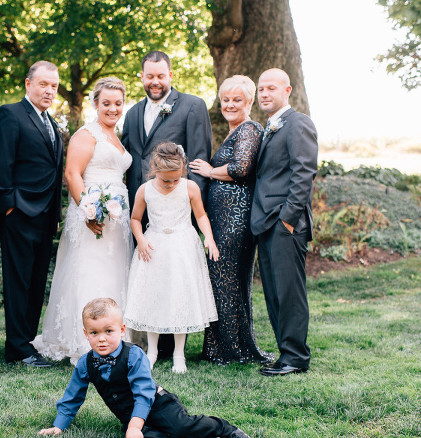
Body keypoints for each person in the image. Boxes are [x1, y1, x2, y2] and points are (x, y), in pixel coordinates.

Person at [38, 298, 255, 438]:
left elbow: (143, 394)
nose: (102, 339)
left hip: (157, 404)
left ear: (122, 330)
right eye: (94, 333)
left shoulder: (133, 355)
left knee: (181, 427)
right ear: (86, 334)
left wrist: (135, 424)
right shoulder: (85, 363)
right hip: (129, 416)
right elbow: (72, 396)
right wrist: (59, 425)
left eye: (109, 331)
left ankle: (224, 428)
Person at [32, 78, 133, 364]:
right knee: (91, 272)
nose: (113, 109)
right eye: (107, 103)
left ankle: (113, 337)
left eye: (118, 103)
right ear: (96, 103)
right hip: (92, 218)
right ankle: (83, 340)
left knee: (113, 273)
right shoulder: (86, 135)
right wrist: (89, 211)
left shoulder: (116, 136)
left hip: (117, 222)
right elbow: (72, 174)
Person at [121, 50, 212, 361]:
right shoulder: (132, 113)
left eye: (161, 76)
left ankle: (175, 347)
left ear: (171, 75)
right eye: (150, 76)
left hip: (176, 210)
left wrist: (186, 204)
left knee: (176, 281)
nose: (155, 81)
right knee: (150, 281)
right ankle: (148, 341)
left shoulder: (192, 106)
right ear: (142, 77)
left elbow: (199, 160)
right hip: (143, 206)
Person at [189, 75, 273, 365]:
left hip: (236, 218)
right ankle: (221, 347)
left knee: (226, 279)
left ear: (249, 102)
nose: (230, 104)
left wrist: (209, 171)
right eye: (226, 99)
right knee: (223, 280)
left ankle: (231, 349)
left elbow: (241, 168)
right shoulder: (233, 131)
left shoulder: (249, 129)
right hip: (224, 217)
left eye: (237, 99)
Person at [0, 61, 64, 368]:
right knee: (18, 281)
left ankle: (28, 342)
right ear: (28, 84)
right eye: (43, 84)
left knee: (35, 282)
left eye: (54, 87)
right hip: (18, 212)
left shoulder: (54, 125)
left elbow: (54, 171)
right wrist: (7, 205)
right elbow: (0, 164)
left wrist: (55, 214)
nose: (49, 91)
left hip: (45, 217)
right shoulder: (9, 114)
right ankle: (17, 348)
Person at [123, 142, 218, 374]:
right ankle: (152, 351)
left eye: (176, 179)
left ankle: (179, 354)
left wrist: (209, 238)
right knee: (153, 296)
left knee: (179, 296)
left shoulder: (190, 188)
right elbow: (135, 219)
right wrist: (141, 240)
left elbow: (201, 215)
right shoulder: (144, 190)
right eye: (166, 180)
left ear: (183, 171)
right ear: (155, 170)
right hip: (154, 247)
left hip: (182, 247)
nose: (171, 184)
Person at [251, 68, 318, 377]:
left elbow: (304, 173)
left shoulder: (298, 123)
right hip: (266, 222)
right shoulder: (271, 126)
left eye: (271, 88)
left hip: (284, 223)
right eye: (261, 89)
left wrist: (287, 221)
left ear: (287, 90)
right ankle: (285, 353)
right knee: (275, 293)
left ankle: (295, 357)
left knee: (289, 292)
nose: (265, 93)